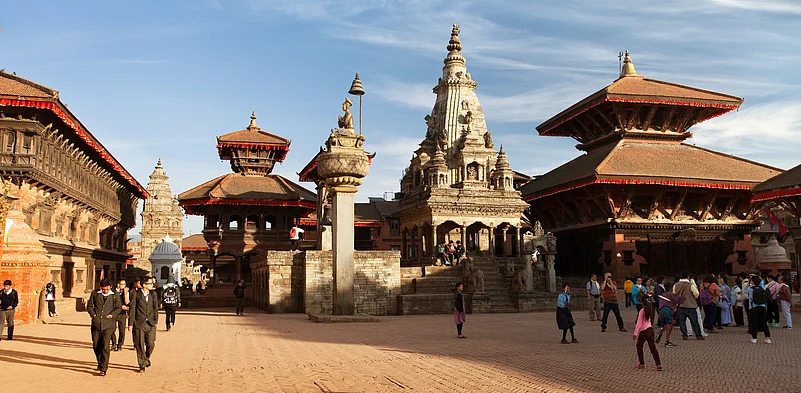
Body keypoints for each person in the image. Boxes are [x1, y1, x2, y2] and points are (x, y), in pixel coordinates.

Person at [87, 279, 121, 376]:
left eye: (106, 289)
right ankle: (100, 362)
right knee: (96, 345)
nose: (104, 291)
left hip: (109, 324)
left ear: (110, 287)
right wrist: (93, 315)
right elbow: (90, 306)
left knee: (105, 346)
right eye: (103, 289)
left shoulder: (114, 295)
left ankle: (104, 368)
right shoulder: (95, 294)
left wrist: (112, 315)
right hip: (96, 324)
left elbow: (118, 307)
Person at [128, 277, 159, 373]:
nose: (152, 285)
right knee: (139, 345)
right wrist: (130, 323)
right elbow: (132, 308)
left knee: (150, 344)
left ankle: (146, 357)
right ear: (144, 285)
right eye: (150, 283)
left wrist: (155, 320)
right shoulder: (136, 294)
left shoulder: (153, 294)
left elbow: (155, 308)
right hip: (139, 322)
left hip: (150, 323)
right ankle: (142, 364)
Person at [633, 291, 662, 371]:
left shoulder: (642, 311)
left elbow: (639, 323)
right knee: (652, 347)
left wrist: (635, 333)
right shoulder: (650, 309)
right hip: (650, 329)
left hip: (644, 331)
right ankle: (658, 364)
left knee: (639, 346)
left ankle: (642, 363)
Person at [673, 271, 703, 340]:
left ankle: (684, 335)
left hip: (680, 306)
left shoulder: (676, 285)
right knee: (694, 321)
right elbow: (696, 293)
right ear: (688, 277)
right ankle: (698, 335)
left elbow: (674, 294)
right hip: (690, 305)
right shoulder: (690, 285)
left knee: (682, 322)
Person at [745, 276, 771, 344]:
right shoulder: (762, 288)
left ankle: (754, 338)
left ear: (752, 282)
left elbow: (745, 290)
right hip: (762, 307)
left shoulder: (751, 289)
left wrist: (748, 282)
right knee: (764, 323)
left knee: (754, 323)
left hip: (753, 307)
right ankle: (767, 338)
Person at [111, 279, 130, 351]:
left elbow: (127, 302)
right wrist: (120, 306)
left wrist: (125, 293)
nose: (124, 286)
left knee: (122, 330)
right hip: (114, 312)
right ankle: (113, 343)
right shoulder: (113, 292)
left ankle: (120, 344)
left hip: (122, 314)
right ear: (118, 285)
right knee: (112, 329)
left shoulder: (125, 292)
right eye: (123, 284)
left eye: (125, 284)